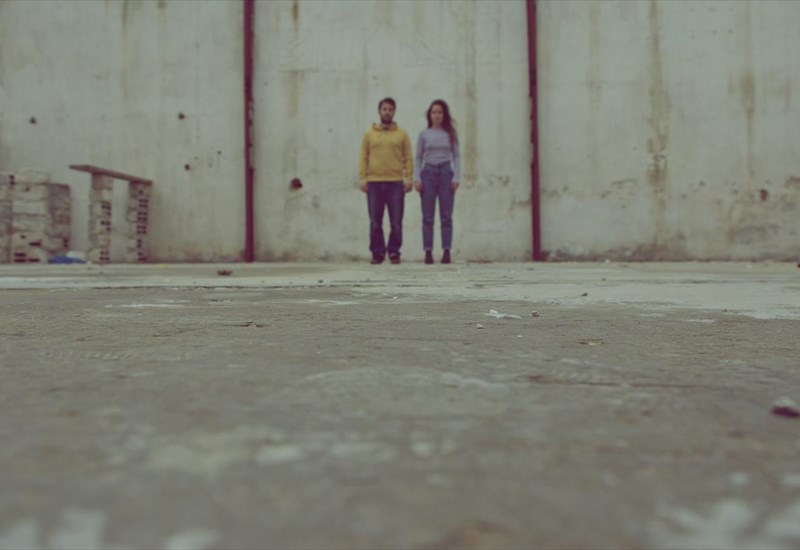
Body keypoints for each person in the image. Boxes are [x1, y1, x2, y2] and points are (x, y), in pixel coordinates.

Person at [359, 97, 414, 265]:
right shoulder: (369, 133)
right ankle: (377, 253)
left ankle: (394, 252)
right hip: (374, 183)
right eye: (384, 109)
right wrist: (363, 178)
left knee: (396, 222)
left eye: (390, 109)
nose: (387, 112)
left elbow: (408, 157)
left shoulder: (402, 134)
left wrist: (409, 178)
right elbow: (364, 157)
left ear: (394, 112)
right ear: (379, 111)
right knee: (375, 222)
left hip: (395, 183)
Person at [414, 99, 461, 264]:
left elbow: (457, 156)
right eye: (434, 112)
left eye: (440, 112)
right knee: (428, 216)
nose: (437, 115)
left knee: (446, 215)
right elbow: (418, 157)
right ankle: (428, 251)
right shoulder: (424, 134)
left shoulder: (450, 134)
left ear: (444, 114)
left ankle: (446, 250)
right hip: (428, 173)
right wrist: (417, 178)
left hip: (446, 173)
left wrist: (456, 177)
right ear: (430, 115)